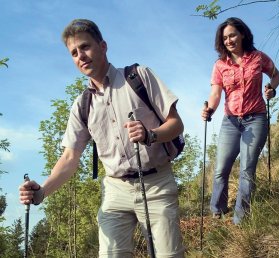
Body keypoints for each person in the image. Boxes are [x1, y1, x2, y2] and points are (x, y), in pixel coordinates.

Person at [19, 19, 185, 257]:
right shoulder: (82, 105)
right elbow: (69, 158)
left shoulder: (138, 77)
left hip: (157, 184)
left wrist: (151, 135)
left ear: (103, 46)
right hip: (115, 191)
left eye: (85, 47)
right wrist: (40, 192)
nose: (81, 56)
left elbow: (176, 124)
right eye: (74, 53)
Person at [201, 17, 279, 225]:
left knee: (247, 169)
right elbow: (216, 93)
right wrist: (209, 109)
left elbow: (275, 75)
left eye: (232, 35)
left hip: (256, 119)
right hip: (230, 121)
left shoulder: (258, 58)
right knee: (221, 168)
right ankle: (217, 212)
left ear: (242, 34)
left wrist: (272, 88)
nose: (229, 40)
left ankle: (240, 219)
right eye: (225, 38)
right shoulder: (220, 65)